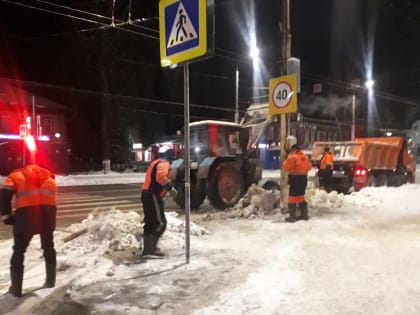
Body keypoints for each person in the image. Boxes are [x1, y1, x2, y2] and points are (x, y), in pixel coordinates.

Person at [0, 164, 57, 297]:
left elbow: (3, 194)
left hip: (26, 216)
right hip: (48, 215)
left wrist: (6, 216)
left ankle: (16, 289)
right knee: (49, 247)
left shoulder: (16, 175)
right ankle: (50, 281)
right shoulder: (49, 176)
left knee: (19, 251)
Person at [141, 146, 177, 257]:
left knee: (150, 223)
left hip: (147, 194)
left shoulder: (156, 162)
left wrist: (163, 195)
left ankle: (148, 249)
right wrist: (170, 188)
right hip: (152, 195)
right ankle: (150, 250)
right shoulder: (164, 163)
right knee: (159, 223)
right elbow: (160, 176)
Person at [282, 144, 312, 222]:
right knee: (301, 197)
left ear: (293, 150)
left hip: (295, 180)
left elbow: (285, 166)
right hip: (303, 179)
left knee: (292, 198)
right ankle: (304, 215)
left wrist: (287, 158)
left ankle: (292, 217)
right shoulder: (305, 157)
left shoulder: (292, 157)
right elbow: (309, 167)